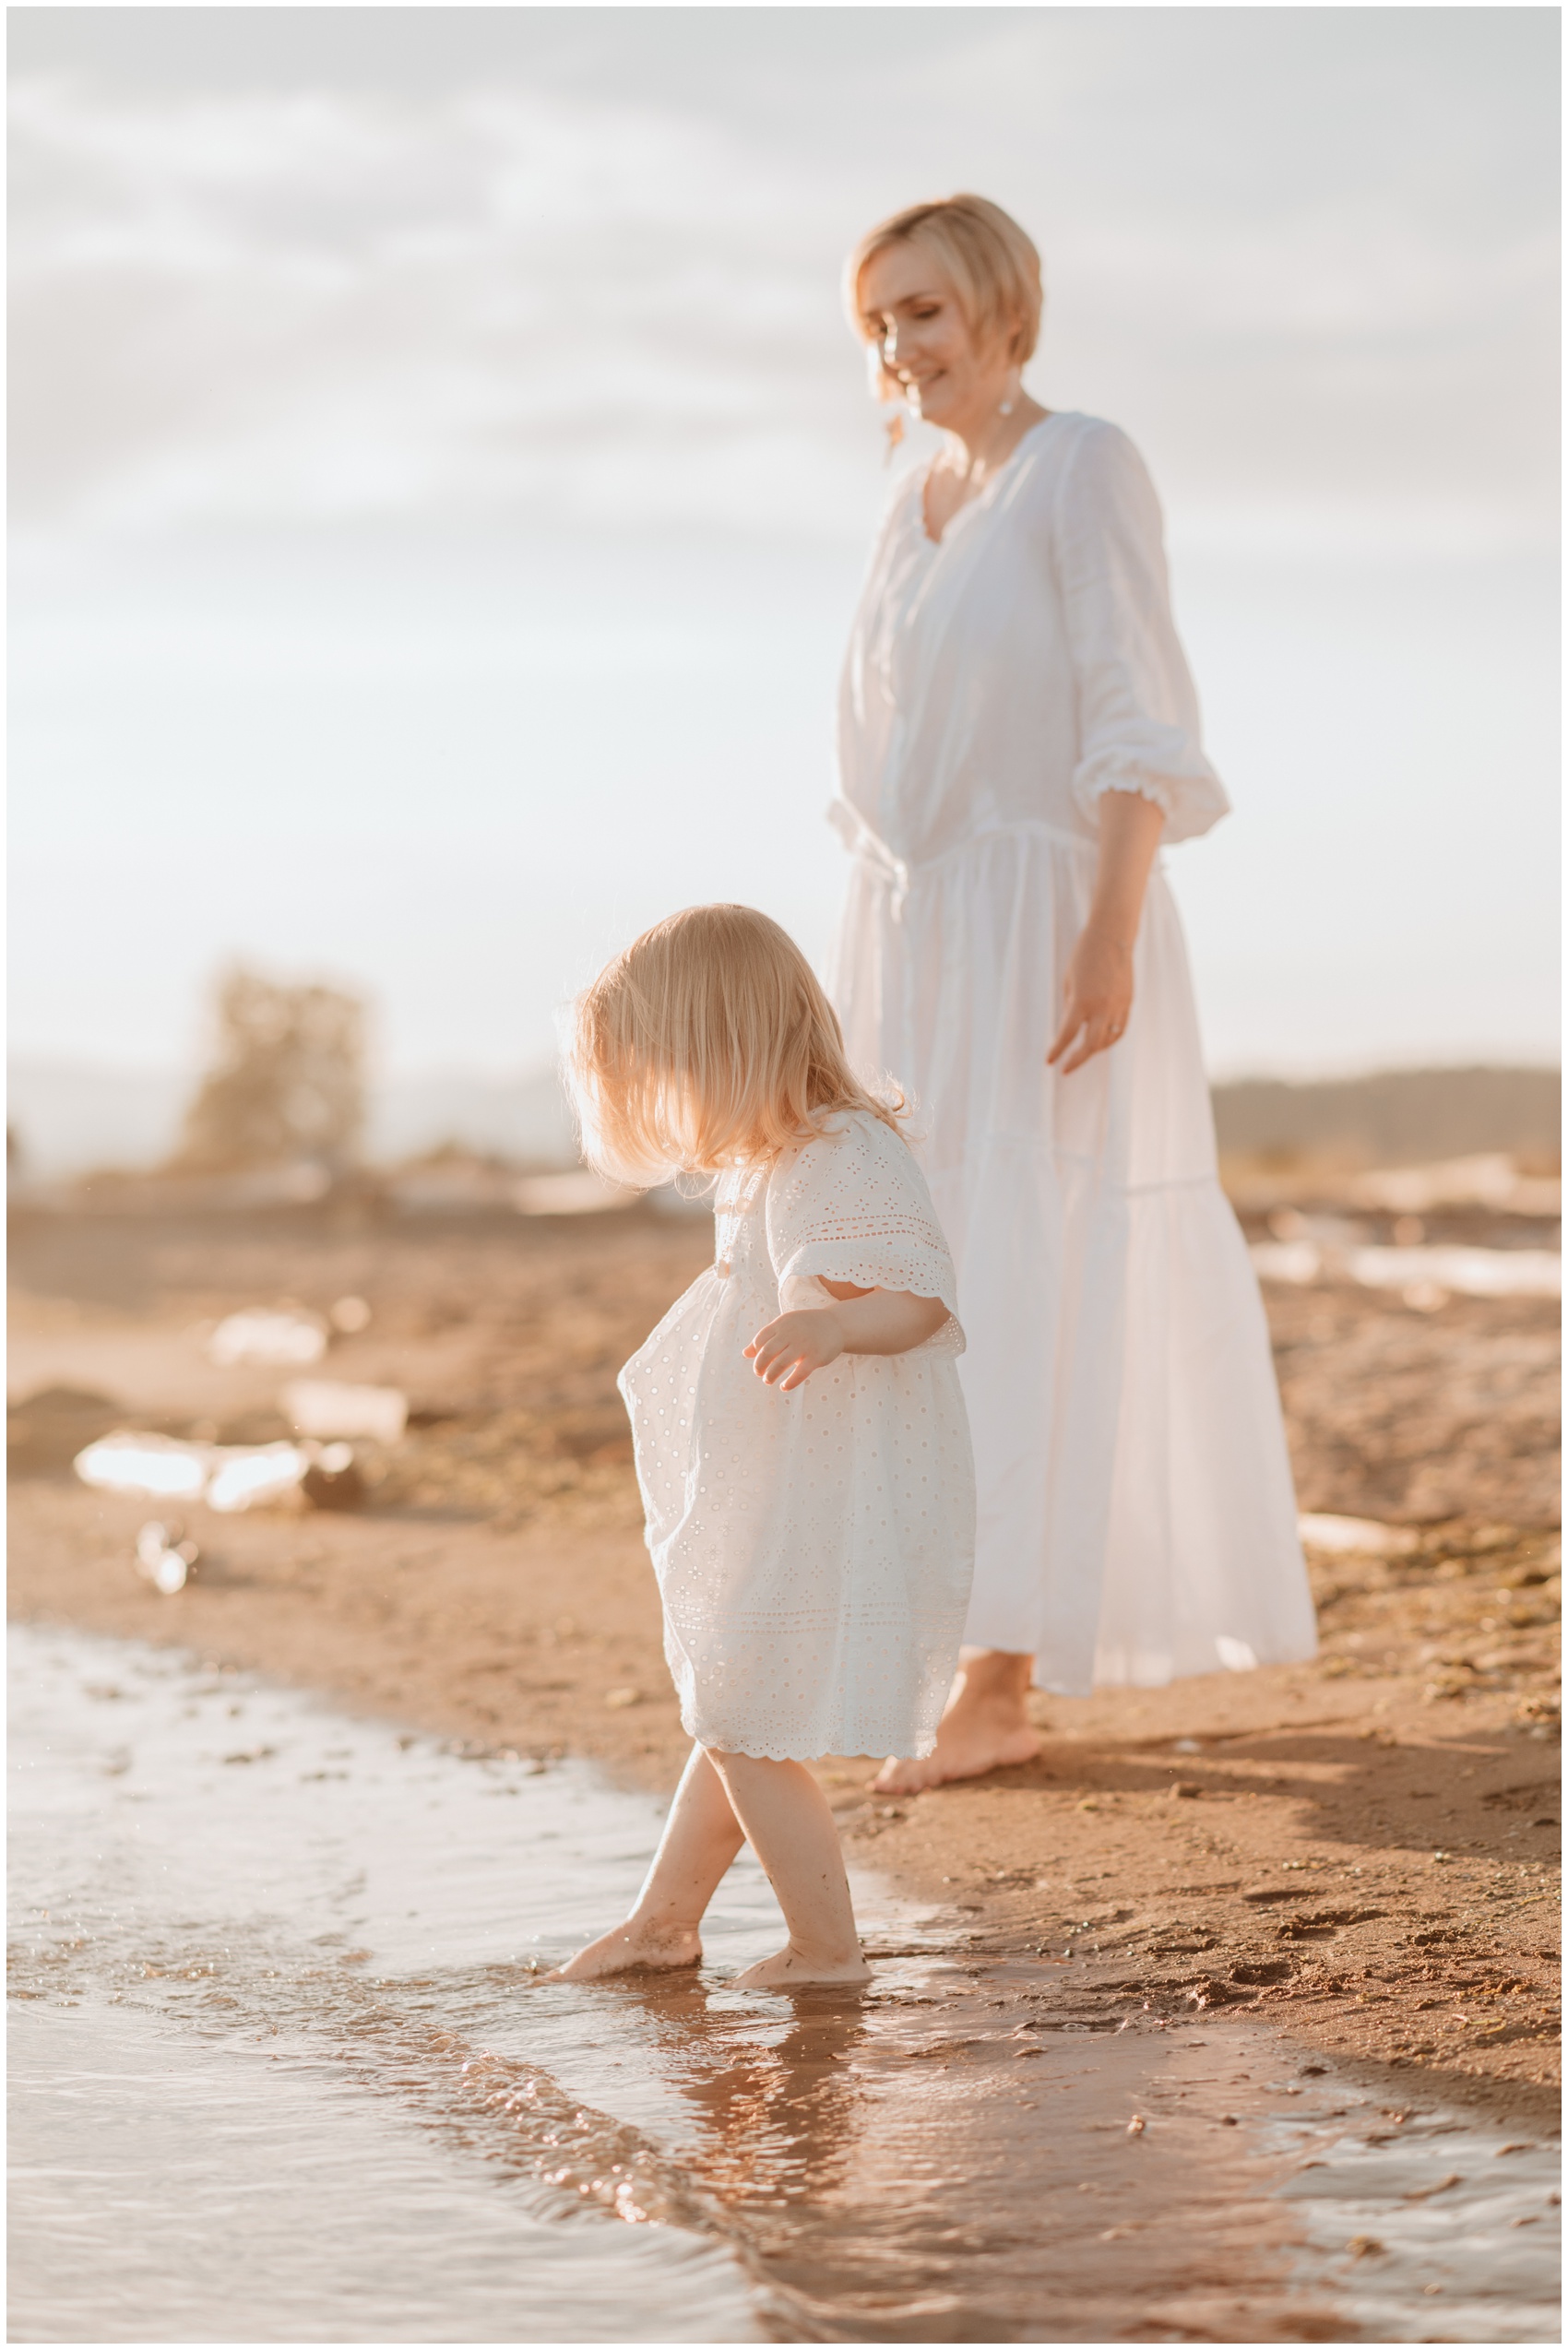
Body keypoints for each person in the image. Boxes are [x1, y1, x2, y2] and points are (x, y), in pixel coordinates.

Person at [831, 195, 1316, 1796]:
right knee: (931, 1274)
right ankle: (950, 1645)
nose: (900, 349)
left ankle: (1004, 1677)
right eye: (878, 323)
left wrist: (1107, 932)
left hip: (1051, 923)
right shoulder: (911, 497)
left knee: (1031, 1275)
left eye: (924, 312)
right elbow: (883, 770)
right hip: (922, 943)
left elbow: (1137, 718)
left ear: (998, 305)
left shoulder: (1083, 465)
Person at [552, 904, 976, 1988]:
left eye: (669, 1074)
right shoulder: (767, 1161)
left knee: (740, 1710)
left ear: (724, 1048)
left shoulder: (839, 1151)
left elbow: (919, 1298)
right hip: (773, 1476)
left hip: (820, 1486)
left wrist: (835, 1325)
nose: (668, 1105)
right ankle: (663, 1922)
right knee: (733, 1700)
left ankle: (826, 1949)